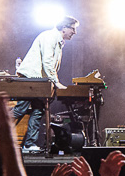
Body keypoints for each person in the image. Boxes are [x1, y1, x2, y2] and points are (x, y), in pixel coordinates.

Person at [12, 16, 79, 152]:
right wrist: (56, 82)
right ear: (64, 27)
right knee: (20, 109)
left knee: (38, 110)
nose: (74, 32)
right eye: (72, 29)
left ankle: (29, 144)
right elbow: (47, 62)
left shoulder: (58, 41)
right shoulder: (50, 37)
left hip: (39, 81)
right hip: (31, 79)